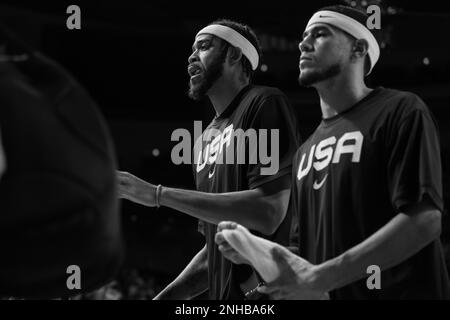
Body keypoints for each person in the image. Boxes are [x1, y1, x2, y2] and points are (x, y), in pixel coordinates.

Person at [215, 5, 450, 299]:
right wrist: (255, 253)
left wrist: (320, 277)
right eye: (303, 36)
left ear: (358, 48)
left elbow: (424, 219)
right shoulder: (304, 151)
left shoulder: (400, 110)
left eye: (320, 33)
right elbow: (304, 253)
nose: (303, 43)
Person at [117, 19, 301, 300]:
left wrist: (157, 195)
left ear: (235, 54)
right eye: (192, 49)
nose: (192, 56)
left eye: (203, 46)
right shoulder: (204, 140)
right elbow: (213, 252)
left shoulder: (263, 102)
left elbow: (269, 211)